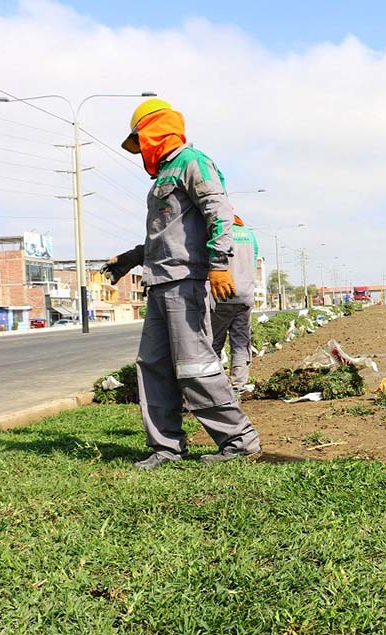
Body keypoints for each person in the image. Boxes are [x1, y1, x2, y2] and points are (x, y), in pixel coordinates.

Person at [101, 98, 260, 470]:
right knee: (153, 365)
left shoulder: (193, 162)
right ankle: (166, 447)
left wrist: (219, 265)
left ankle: (238, 441)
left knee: (195, 366)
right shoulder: (164, 177)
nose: (140, 151)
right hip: (159, 283)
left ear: (154, 131)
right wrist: (131, 259)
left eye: (140, 141)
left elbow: (219, 213)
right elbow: (169, 236)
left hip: (185, 282)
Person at [211, 214, 258, 394]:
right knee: (240, 343)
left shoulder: (218, 234)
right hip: (245, 295)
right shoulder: (249, 234)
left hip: (222, 294)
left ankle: (215, 386)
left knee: (214, 342)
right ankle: (238, 385)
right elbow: (253, 260)